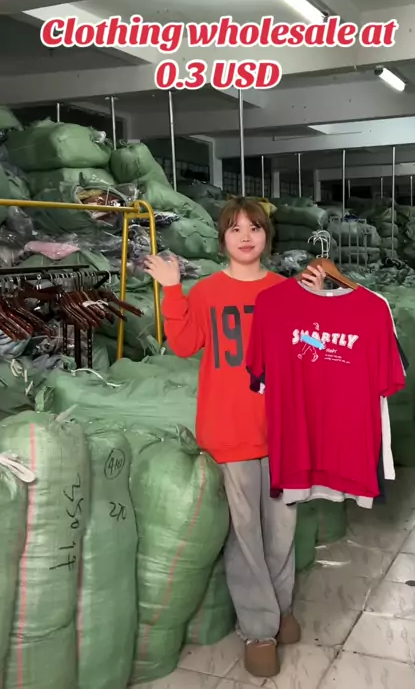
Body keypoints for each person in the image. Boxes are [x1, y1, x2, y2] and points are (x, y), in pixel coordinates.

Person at [144, 197, 325, 679]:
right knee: (245, 536)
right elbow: (184, 344)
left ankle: (281, 608)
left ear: (267, 236)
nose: (246, 237)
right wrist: (172, 290)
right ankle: (260, 629)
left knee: (282, 530)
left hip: (283, 432)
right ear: (223, 238)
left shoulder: (285, 291)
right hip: (229, 431)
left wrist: (317, 305)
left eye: (255, 228)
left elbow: (311, 352)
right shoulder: (206, 292)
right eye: (235, 229)